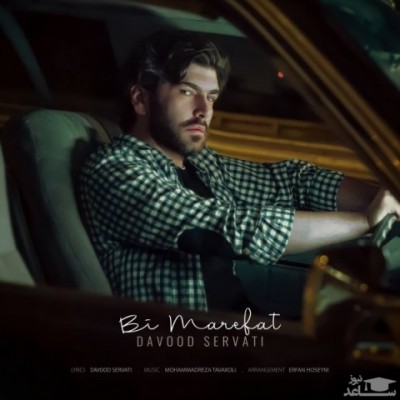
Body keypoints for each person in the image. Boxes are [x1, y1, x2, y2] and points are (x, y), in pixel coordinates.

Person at [79, 29, 400, 313]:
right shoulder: (115, 171)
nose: (204, 111)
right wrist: (366, 220)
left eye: (212, 97)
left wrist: (386, 197)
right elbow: (228, 229)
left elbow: (292, 181)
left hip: (241, 326)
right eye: (187, 91)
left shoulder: (202, 164)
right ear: (140, 99)